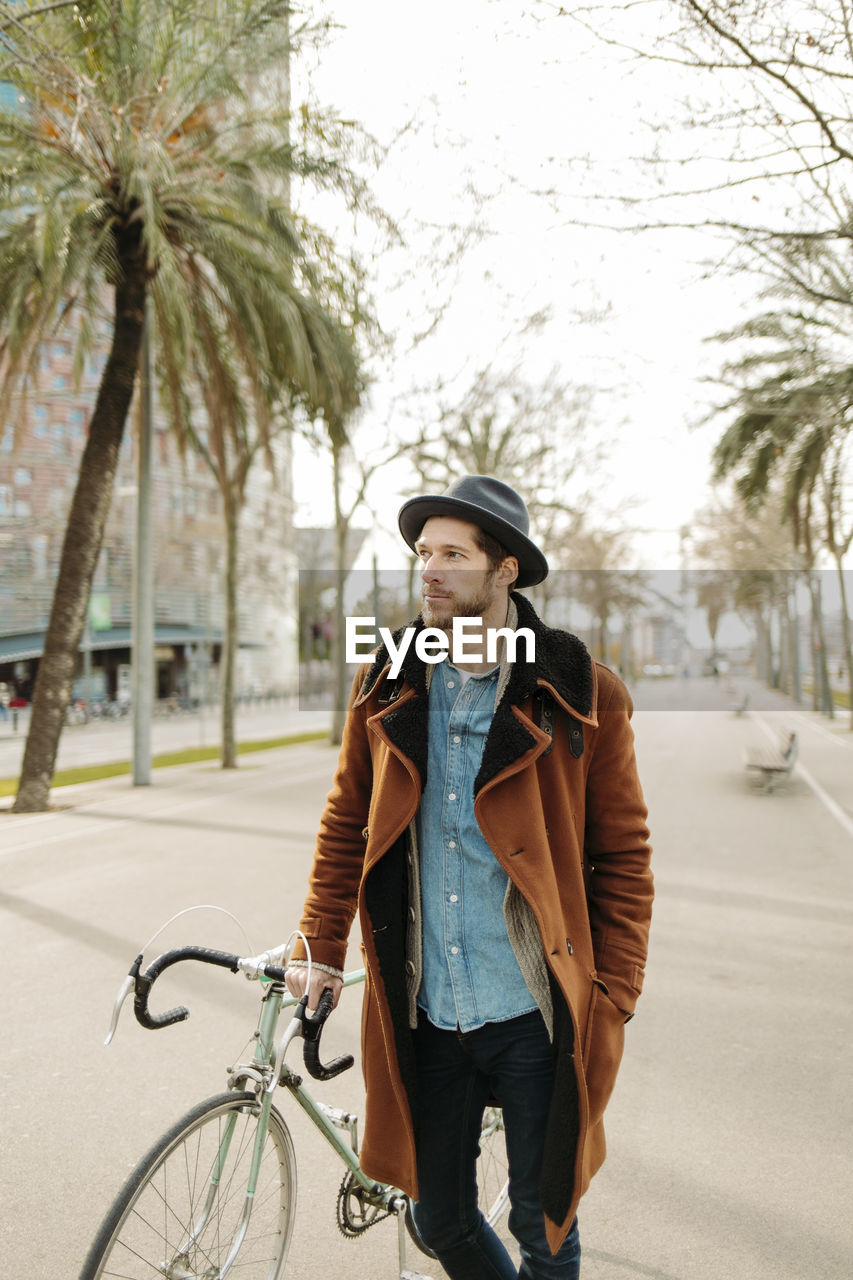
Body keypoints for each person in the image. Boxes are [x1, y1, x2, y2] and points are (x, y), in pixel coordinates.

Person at [286, 475, 653, 1279]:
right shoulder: (387, 680)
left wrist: (614, 992)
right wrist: (317, 941)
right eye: (424, 553)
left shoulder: (580, 692)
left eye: (453, 554)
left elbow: (622, 855)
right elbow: (348, 823)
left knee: (541, 1222)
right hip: (425, 1008)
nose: (431, 570)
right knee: (439, 1217)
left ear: (505, 570)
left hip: (532, 1007)